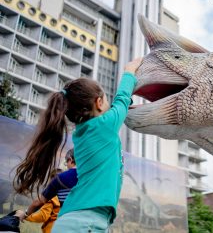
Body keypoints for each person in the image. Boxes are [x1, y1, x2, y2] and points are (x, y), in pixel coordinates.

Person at [13, 58, 142, 232]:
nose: (109, 106)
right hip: (85, 222)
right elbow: (122, 98)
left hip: (74, 220)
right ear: (98, 102)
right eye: (105, 101)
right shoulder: (104, 126)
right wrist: (130, 70)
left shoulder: (82, 133)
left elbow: (119, 107)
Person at [21, 168, 63, 233]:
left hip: (52, 230)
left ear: (52, 179)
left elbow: (43, 216)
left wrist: (27, 216)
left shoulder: (52, 196)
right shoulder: (67, 194)